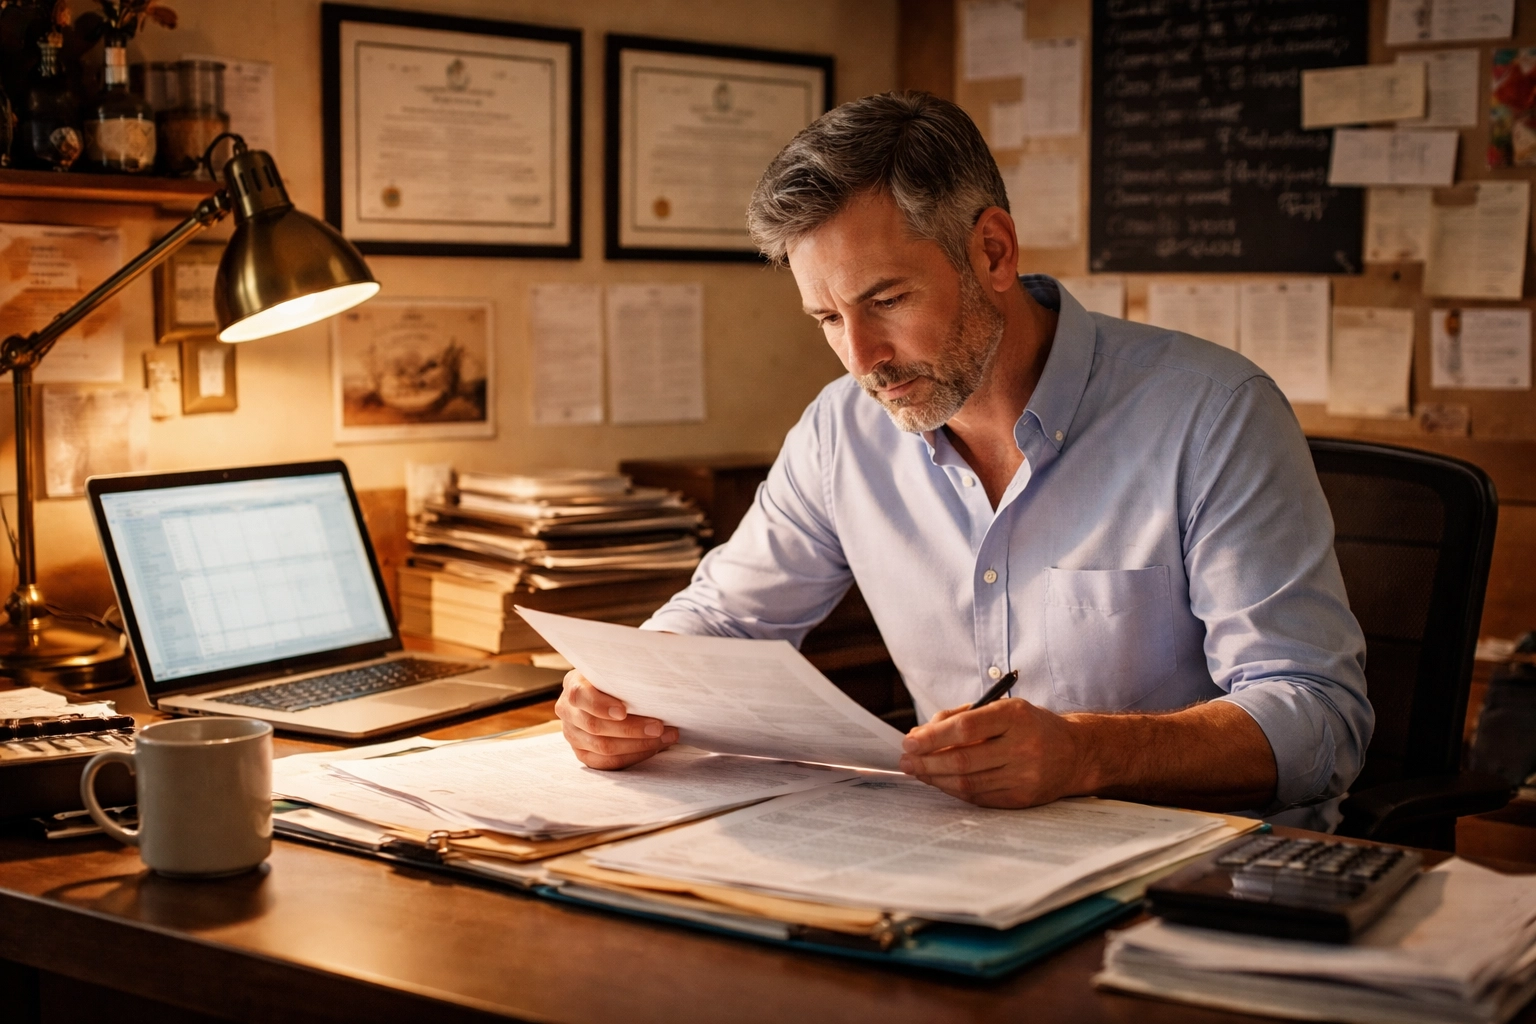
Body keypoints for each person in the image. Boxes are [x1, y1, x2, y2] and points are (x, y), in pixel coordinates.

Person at [556, 92, 1371, 829]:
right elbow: (725, 621)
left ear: (993, 251)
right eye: (828, 319)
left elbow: (1319, 715)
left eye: (886, 301)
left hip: (1198, 873)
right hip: (965, 859)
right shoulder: (843, 431)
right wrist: (624, 690)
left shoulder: (1212, 413)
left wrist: (1088, 754)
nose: (861, 357)